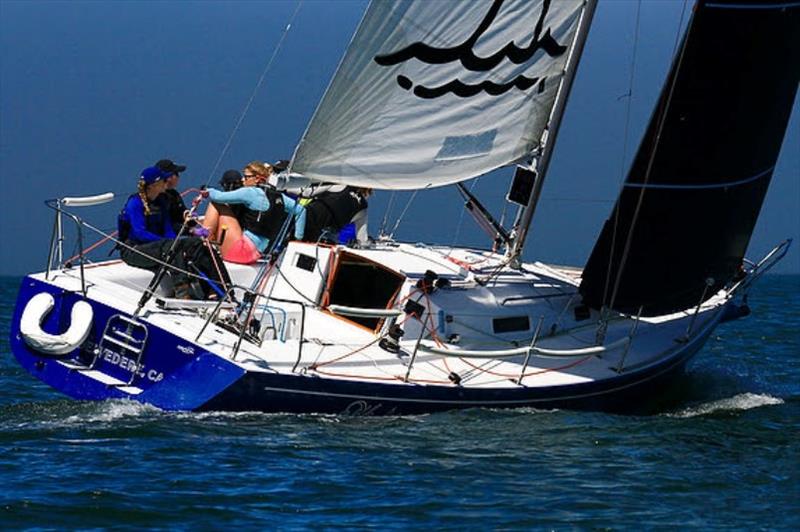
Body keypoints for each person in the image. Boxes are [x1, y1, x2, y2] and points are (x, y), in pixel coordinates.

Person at [117, 166, 230, 300]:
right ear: (154, 185)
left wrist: (186, 239)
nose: (167, 183)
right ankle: (182, 290)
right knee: (172, 246)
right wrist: (168, 242)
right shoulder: (135, 203)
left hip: (159, 245)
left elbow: (168, 230)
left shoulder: (162, 201)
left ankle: (221, 288)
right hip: (134, 250)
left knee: (196, 244)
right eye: (164, 181)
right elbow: (139, 233)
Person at [201, 161, 306, 264]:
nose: (243, 180)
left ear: (257, 179)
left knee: (215, 204)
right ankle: (208, 242)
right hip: (255, 255)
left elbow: (218, 197)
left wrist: (207, 191)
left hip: (240, 251)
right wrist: (298, 239)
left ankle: (203, 245)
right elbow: (301, 210)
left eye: (246, 177)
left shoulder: (250, 192)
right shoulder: (280, 197)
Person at [302, 186, 371, 244]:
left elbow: (306, 193)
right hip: (319, 233)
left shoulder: (341, 185)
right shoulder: (363, 209)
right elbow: (362, 239)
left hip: (305, 218)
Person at [155, 158, 189, 234]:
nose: (178, 177)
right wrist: (191, 231)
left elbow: (183, 214)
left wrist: (189, 217)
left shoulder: (174, 195)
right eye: (176, 173)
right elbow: (163, 225)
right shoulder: (155, 197)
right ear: (168, 177)